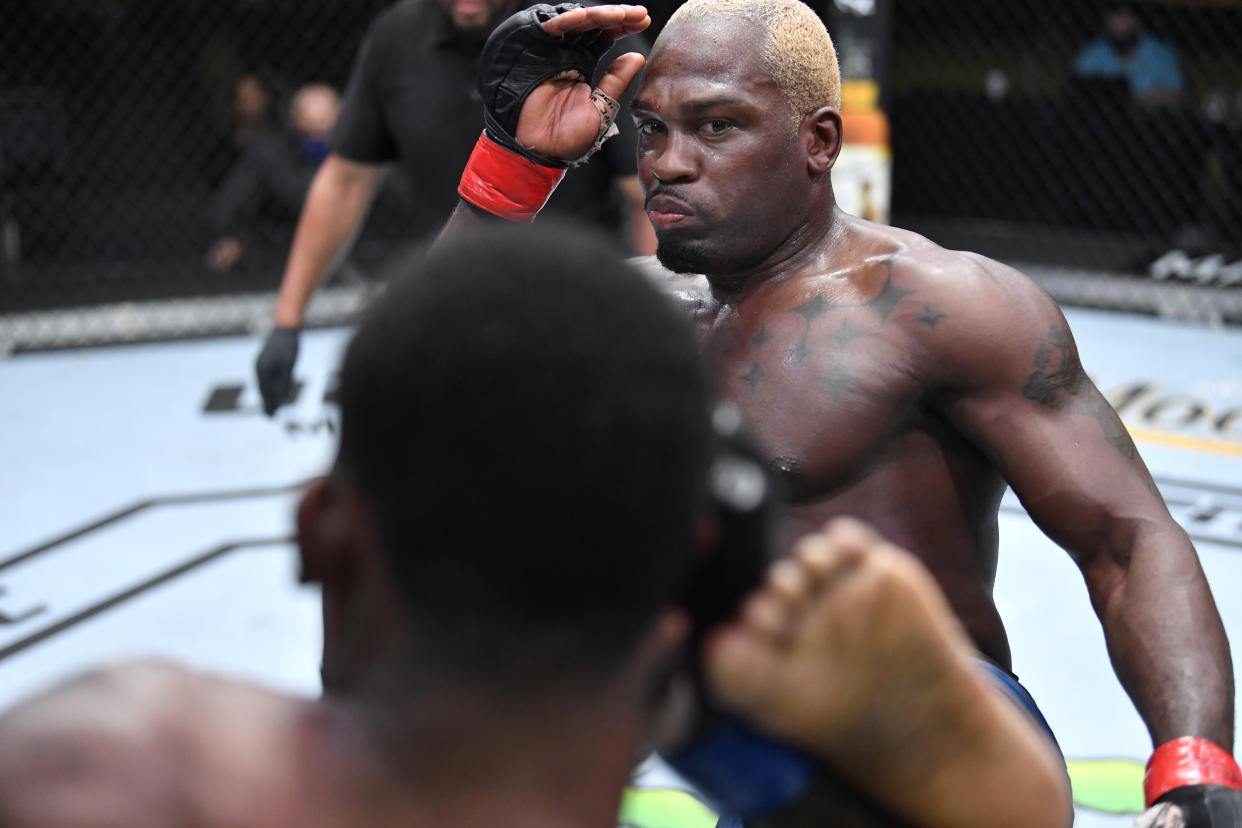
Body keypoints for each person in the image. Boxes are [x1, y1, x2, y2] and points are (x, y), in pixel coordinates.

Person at [439, 1, 1242, 824]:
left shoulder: (937, 308)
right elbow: (422, 383)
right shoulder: (639, 320)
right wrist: (513, 163)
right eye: (651, 130)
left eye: (717, 128)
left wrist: (1196, 763)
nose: (669, 163)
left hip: (946, 740)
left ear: (819, 141)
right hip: (768, 761)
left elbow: (1127, 539)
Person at [0, 225, 1070, 828]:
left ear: (322, 530)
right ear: (697, 585)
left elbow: (447, 338)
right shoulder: (716, 706)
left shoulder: (113, 769)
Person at [252, 0, 657, 417]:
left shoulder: (585, 34)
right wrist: (288, 318)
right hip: (449, 310)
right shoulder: (397, 36)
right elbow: (344, 181)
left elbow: (646, 196)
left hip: (577, 316)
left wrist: (656, 321)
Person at [206, 84, 342, 273]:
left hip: (348, 249)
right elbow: (232, 199)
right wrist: (230, 237)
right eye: (311, 134)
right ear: (296, 121)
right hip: (277, 249)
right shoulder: (269, 154)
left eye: (324, 132)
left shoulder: (358, 155)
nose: (317, 140)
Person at [1073, 6, 1185, 110]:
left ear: (1136, 23)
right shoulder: (1093, 52)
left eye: (1124, 20)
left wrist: (1140, 100)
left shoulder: (1159, 52)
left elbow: (1178, 95)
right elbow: (1077, 89)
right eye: (1114, 22)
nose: (1119, 28)